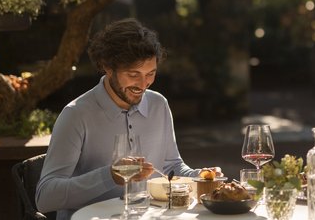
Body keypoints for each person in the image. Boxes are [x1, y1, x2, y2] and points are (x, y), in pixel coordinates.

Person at [36, 18, 220, 219]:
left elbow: (170, 167)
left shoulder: (159, 105)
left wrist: (202, 177)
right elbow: (45, 197)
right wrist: (110, 176)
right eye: (133, 74)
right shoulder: (76, 114)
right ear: (107, 67)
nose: (143, 84)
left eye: (150, 73)